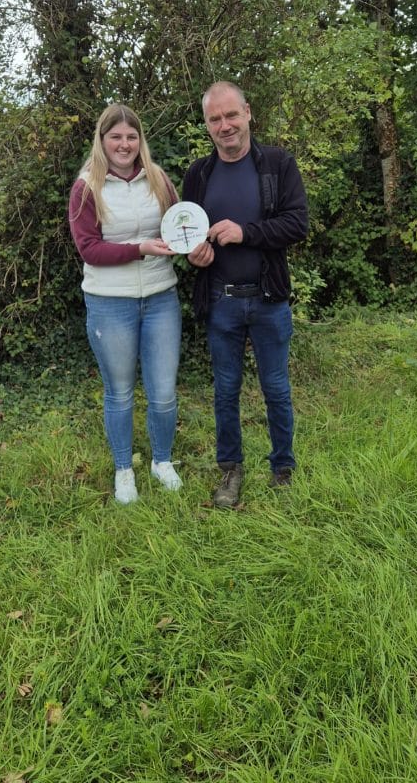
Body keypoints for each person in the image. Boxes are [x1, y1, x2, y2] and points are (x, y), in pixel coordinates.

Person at [183, 81, 308, 508]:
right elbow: (188, 237)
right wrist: (195, 257)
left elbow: (297, 225)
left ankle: (282, 469)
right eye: (215, 119)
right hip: (221, 301)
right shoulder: (198, 175)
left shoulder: (277, 164)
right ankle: (231, 471)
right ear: (207, 125)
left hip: (269, 298)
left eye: (231, 115)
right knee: (225, 390)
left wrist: (245, 232)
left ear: (248, 112)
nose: (224, 125)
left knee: (276, 387)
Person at [68, 104, 182, 504]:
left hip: (161, 297)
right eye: (115, 137)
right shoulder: (87, 186)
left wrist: (194, 243)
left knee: (164, 392)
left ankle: (161, 461)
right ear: (102, 141)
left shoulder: (158, 178)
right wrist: (140, 248)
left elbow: (179, 224)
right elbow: (89, 249)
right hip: (109, 303)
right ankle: (123, 469)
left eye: (131, 137)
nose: (124, 144)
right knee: (119, 392)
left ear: (140, 140)